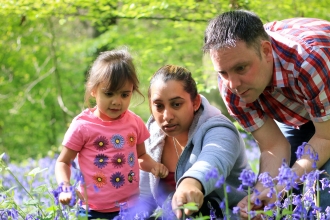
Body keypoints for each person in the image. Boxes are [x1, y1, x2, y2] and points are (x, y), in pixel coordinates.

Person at [203, 9, 330, 217]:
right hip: (300, 109)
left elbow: (326, 136)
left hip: (324, 84)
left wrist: (282, 185)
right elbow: (273, 146)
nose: (233, 84)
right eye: (223, 72)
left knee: (323, 195)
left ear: (266, 51)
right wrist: (263, 191)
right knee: (286, 198)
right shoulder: (231, 87)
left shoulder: (307, 61)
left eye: (241, 68)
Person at [55, 48, 168, 220]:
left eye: (125, 94)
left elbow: (141, 156)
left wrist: (154, 166)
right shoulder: (83, 126)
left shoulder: (134, 122)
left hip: (130, 208)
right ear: (93, 90)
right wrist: (65, 186)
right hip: (91, 210)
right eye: (109, 94)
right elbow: (63, 161)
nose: (117, 101)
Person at [139, 64, 251, 219]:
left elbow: (213, 159)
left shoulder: (220, 129)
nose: (167, 116)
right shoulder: (150, 134)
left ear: (196, 102)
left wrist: (191, 183)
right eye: (159, 106)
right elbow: (144, 197)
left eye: (176, 104)